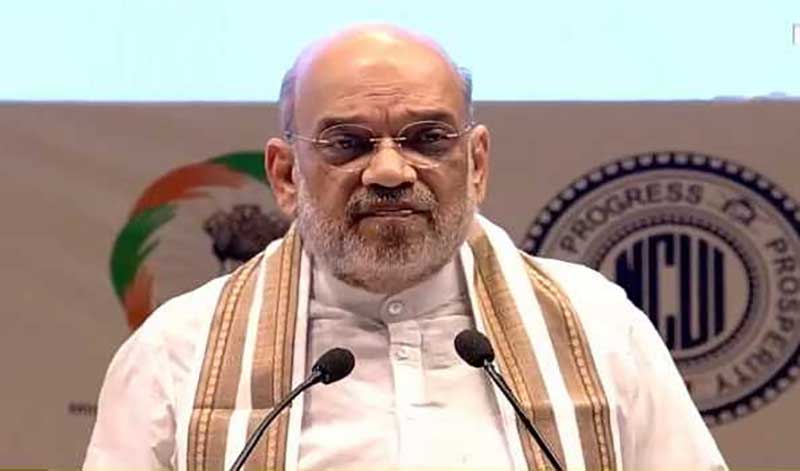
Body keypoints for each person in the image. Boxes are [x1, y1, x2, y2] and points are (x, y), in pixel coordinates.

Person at [84, 25, 727, 470]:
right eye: (347, 143)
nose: (390, 171)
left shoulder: (599, 328)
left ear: (477, 163)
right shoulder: (177, 352)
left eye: (427, 139)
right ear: (285, 176)